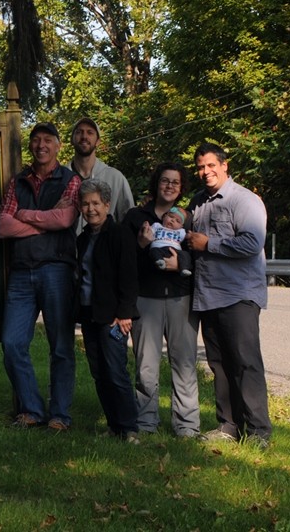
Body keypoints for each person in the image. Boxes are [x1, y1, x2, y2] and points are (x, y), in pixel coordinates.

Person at [186, 143, 272, 448]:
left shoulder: (244, 200)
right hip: (208, 295)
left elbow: (252, 242)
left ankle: (259, 431)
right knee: (219, 364)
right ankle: (229, 425)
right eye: (200, 167)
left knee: (246, 363)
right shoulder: (197, 202)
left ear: (224, 165)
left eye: (211, 165)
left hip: (238, 295)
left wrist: (209, 244)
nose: (206, 172)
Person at [0, 122, 81, 431]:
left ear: (59, 146)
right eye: (36, 140)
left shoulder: (70, 180)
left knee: (61, 347)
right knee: (12, 343)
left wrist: (25, 215)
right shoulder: (17, 181)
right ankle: (32, 409)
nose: (40, 145)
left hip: (56, 269)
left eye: (47, 140)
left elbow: (66, 218)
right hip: (22, 273)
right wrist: (46, 220)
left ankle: (60, 415)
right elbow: (3, 227)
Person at [123, 163, 200, 438]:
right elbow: (122, 257)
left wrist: (181, 264)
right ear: (156, 183)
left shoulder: (188, 218)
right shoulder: (136, 217)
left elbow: (199, 255)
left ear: (181, 188)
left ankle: (187, 425)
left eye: (175, 183)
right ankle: (146, 422)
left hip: (182, 296)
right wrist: (141, 245)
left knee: (185, 362)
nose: (169, 186)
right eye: (164, 181)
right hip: (146, 297)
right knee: (146, 364)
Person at [75, 178, 140, 442]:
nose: (91, 209)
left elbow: (129, 276)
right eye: (85, 204)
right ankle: (114, 426)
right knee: (99, 373)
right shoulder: (82, 239)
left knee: (115, 371)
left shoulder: (120, 234)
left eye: (96, 203)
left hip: (113, 316)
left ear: (107, 205)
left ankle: (129, 429)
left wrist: (125, 313)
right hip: (90, 314)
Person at [69, 117, 134, 232]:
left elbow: (128, 220)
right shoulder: (60, 177)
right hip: (65, 249)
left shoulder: (115, 177)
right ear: (72, 139)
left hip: (105, 248)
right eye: (79, 132)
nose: (84, 136)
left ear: (98, 141)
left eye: (90, 132)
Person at [148, 207, 193, 277]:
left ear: (181, 226)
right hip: (159, 247)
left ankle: (184, 268)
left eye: (177, 221)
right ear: (164, 216)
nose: (172, 220)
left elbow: (187, 237)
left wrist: (190, 235)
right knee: (153, 251)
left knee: (185, 254)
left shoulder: (180, 231)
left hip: (175, 251)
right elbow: (148, 233)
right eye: (171, 216)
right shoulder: (157, 225)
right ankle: (160, 261)